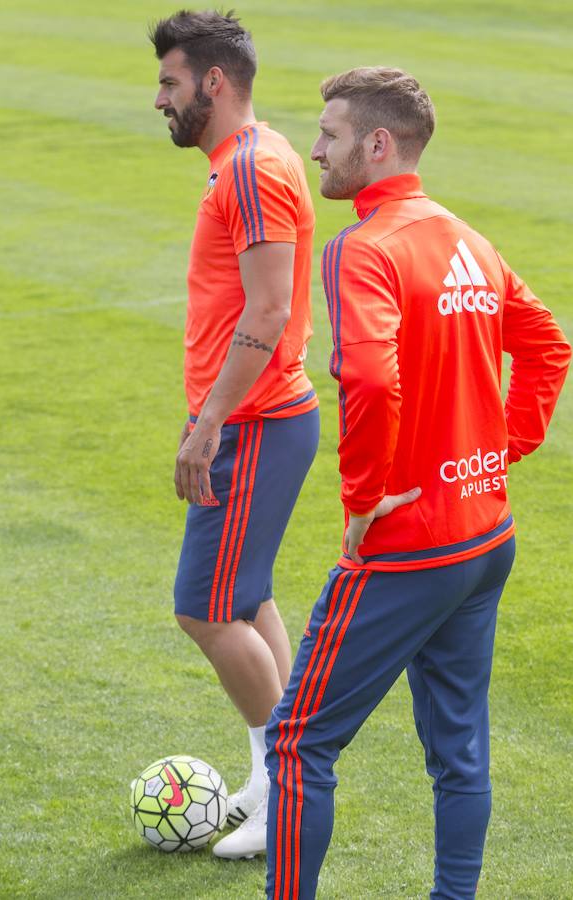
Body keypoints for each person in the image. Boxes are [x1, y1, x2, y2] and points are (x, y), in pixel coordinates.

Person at [265, 67, 571, 899]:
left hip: (409, 546)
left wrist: (364, 497)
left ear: (377, 143)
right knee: (459, 752)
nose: (316, 149)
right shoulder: (465, 235)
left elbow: (367, 377)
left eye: (328, 134)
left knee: (297, 745)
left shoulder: (363, 248)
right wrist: (499, 451)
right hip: (485, 536)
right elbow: (549, 346)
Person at [149, 10, 319, 859]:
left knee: (204, 612)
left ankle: (287, 793)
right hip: (261, 415)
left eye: (171, 82)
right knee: (244, 599)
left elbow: (271, 306)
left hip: (251, 422)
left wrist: (207, 424)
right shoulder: (258, 155)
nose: (160, 100)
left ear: (213, 82)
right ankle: (284, 775)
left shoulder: (251, 167)